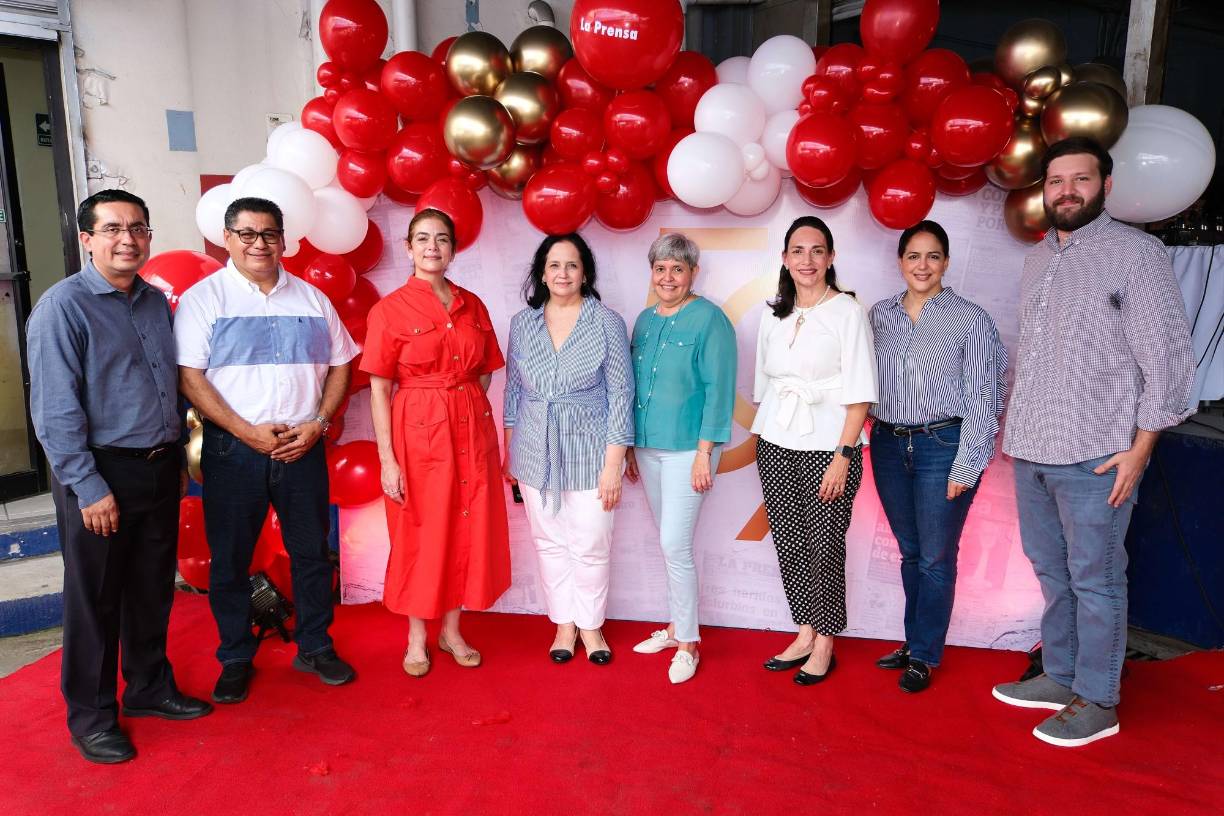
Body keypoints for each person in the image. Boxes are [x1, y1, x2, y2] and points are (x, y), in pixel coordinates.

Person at [992, 137, 1195, 747]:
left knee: (1096, 580)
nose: (1067, 191)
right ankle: (1060, 676)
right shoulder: (1036, 259)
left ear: (1105, 186)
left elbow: (1168, 359)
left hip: (1098, 453)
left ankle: (1099, 700)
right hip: (1032, 446)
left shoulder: (1137, 254)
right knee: (1051, 573)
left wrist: (1142, 447)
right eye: (1056, 181)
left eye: (1080, 179)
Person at [27, 189, 212, 764]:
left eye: (137, 228)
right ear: (87, 239)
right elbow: (54, 410)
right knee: (96, 601)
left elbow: (166, 385)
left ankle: (149, 688)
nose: (126, 239)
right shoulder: (63, 307)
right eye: (111, 229)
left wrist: (175, 456)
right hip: (99, 473)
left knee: (150, 589)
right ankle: (91, 716)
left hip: (157, 467)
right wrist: (88, 486)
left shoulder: (155, 302)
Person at [176, 197, 359, 703]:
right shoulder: (204, 300)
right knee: (230, 559)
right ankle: (235, 656)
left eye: (269, 234)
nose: (259, 244)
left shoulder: (312, 299)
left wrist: (319, 424)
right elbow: (189, 377)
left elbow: (342, 363)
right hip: (233, 450)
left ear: (284, 240)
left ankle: (315, 645)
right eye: (248, 234)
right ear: (227, 239)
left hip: (303, 447)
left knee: (311, 553)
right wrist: (244, 430)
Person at [363, 208, 510, 678]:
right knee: (420, 532)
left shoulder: (473, 305)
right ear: (408, 248)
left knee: (466, 527)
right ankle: (416, 638)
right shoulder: (389, 310)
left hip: (471, 430)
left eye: (442, 239)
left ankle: (452, 631)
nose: (432, 247)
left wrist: (459, 403)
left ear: (453, 249)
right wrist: (388, 460)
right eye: (423, 238)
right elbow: (380, 390)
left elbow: (484, 371)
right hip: (418, 436)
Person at [868, 220, 1007, 693]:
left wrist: (967, 463)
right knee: (910, 551)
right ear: (900, 262)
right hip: (888, 444)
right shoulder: (879, 316)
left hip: (942, 446)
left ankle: (925, 654)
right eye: (913, 256)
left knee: (935, 556)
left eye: (932, 256)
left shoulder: (971, 319)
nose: (922, 265)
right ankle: (913, 642)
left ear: (946, 262)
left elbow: (986, 397)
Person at [751, 216, 877, 686]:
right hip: (776, 439)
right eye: (798, 251)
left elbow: (860, 392)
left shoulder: (848, 310)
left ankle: (825, 640)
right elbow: (764, 384)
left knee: (825, 543)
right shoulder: (773, 313)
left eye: (817, 250)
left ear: (831, 257)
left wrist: (844, 455)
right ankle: (804, 631)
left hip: (829, 445)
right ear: (784, 259)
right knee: (789, 540)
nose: (807, 260)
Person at [502, 233, 634, 665]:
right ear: (542, 273)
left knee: (592, 541)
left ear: (585, 274)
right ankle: (563, 623)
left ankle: (591, 625)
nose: (563, 273)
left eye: (572, 265)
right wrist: (510, 451)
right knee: (548, 541)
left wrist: (613, 464)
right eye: (554, 265)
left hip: (592, 450)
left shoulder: (607, 322)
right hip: (533, 448)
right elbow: (513, 392)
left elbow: (621, 394)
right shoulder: (523, 324)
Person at [625, 232, 736, 684]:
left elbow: (719, 390)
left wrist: (705, 454)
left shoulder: (711, 319)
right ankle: (675, 628)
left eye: (677, 268)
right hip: (647, 448)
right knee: (667, 544)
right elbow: (632, 388)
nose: (668, 277)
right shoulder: (644, 320)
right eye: (660, 268)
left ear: (693, 273)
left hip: (690, 451)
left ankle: (689, 642)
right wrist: (629, 446)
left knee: (675, 545)